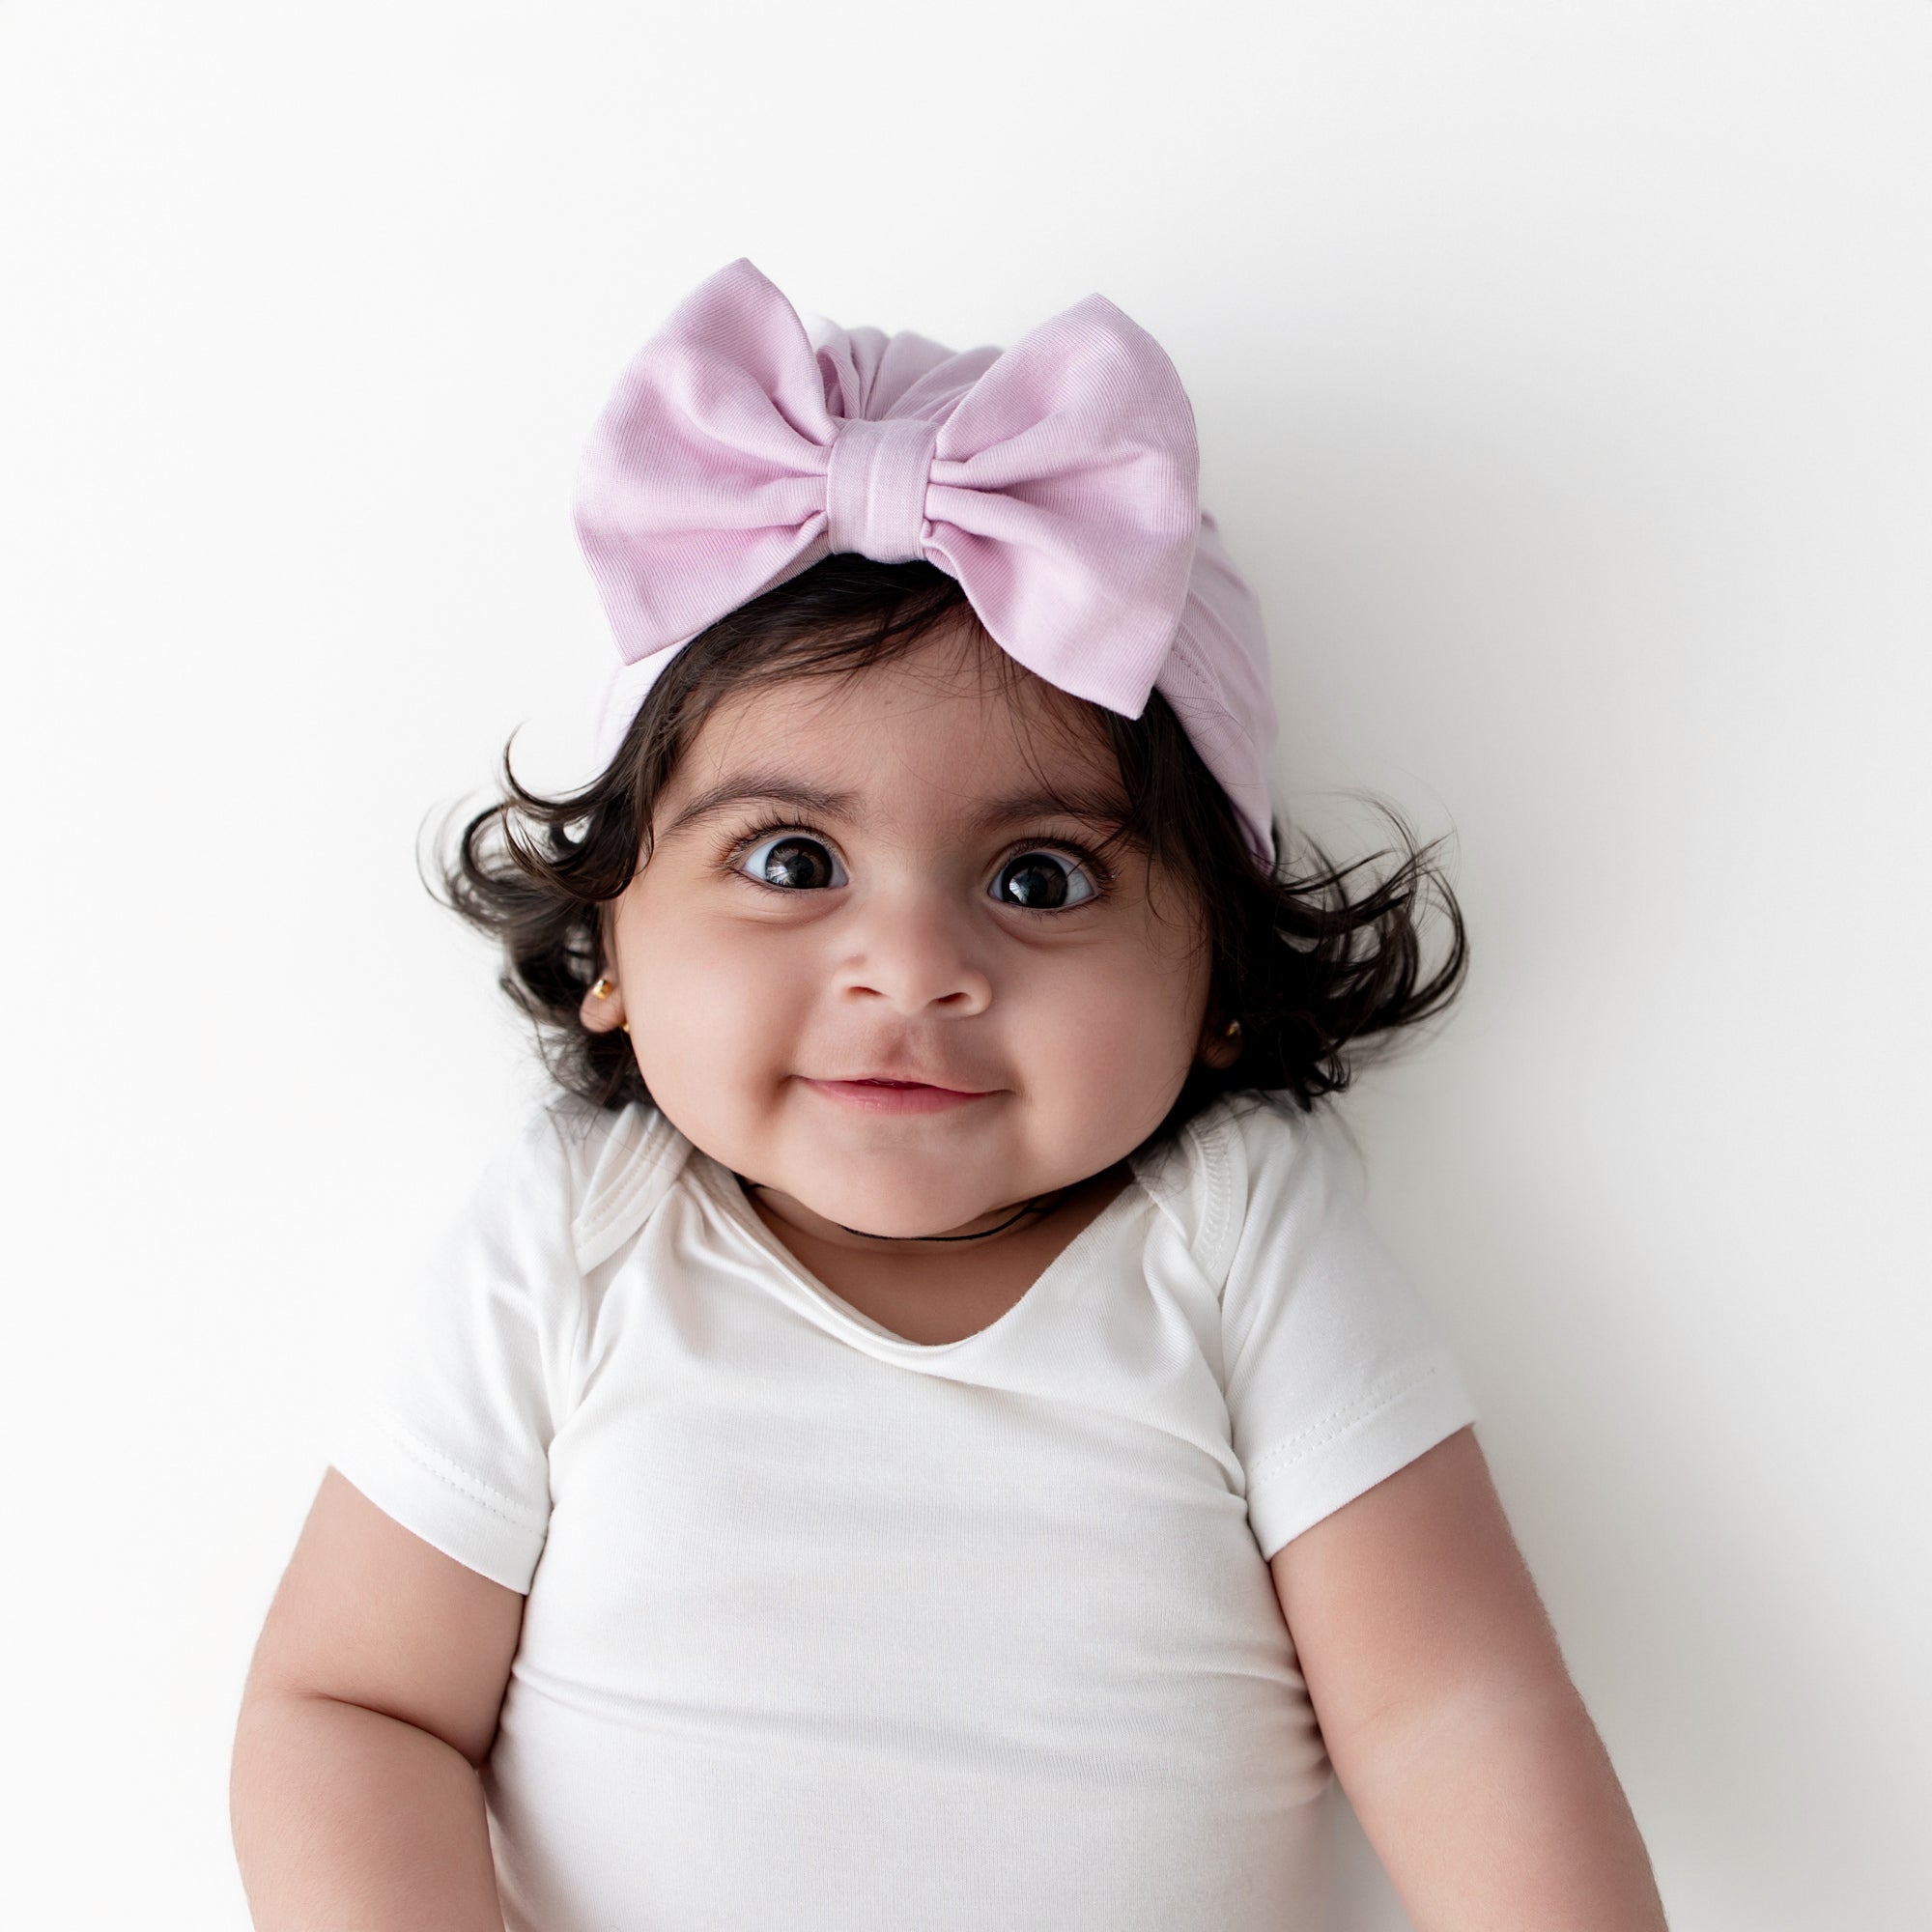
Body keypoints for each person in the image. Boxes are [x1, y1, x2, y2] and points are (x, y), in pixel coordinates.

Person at [228, 259, 1668, 1930]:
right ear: (609, 938)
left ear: (1218, 985)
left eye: (1042, 880)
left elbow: (1452, 1715)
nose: (909, 966)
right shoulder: (580, 1236)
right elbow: (350, 1708)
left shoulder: (1236, 1235)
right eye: (792, 861)